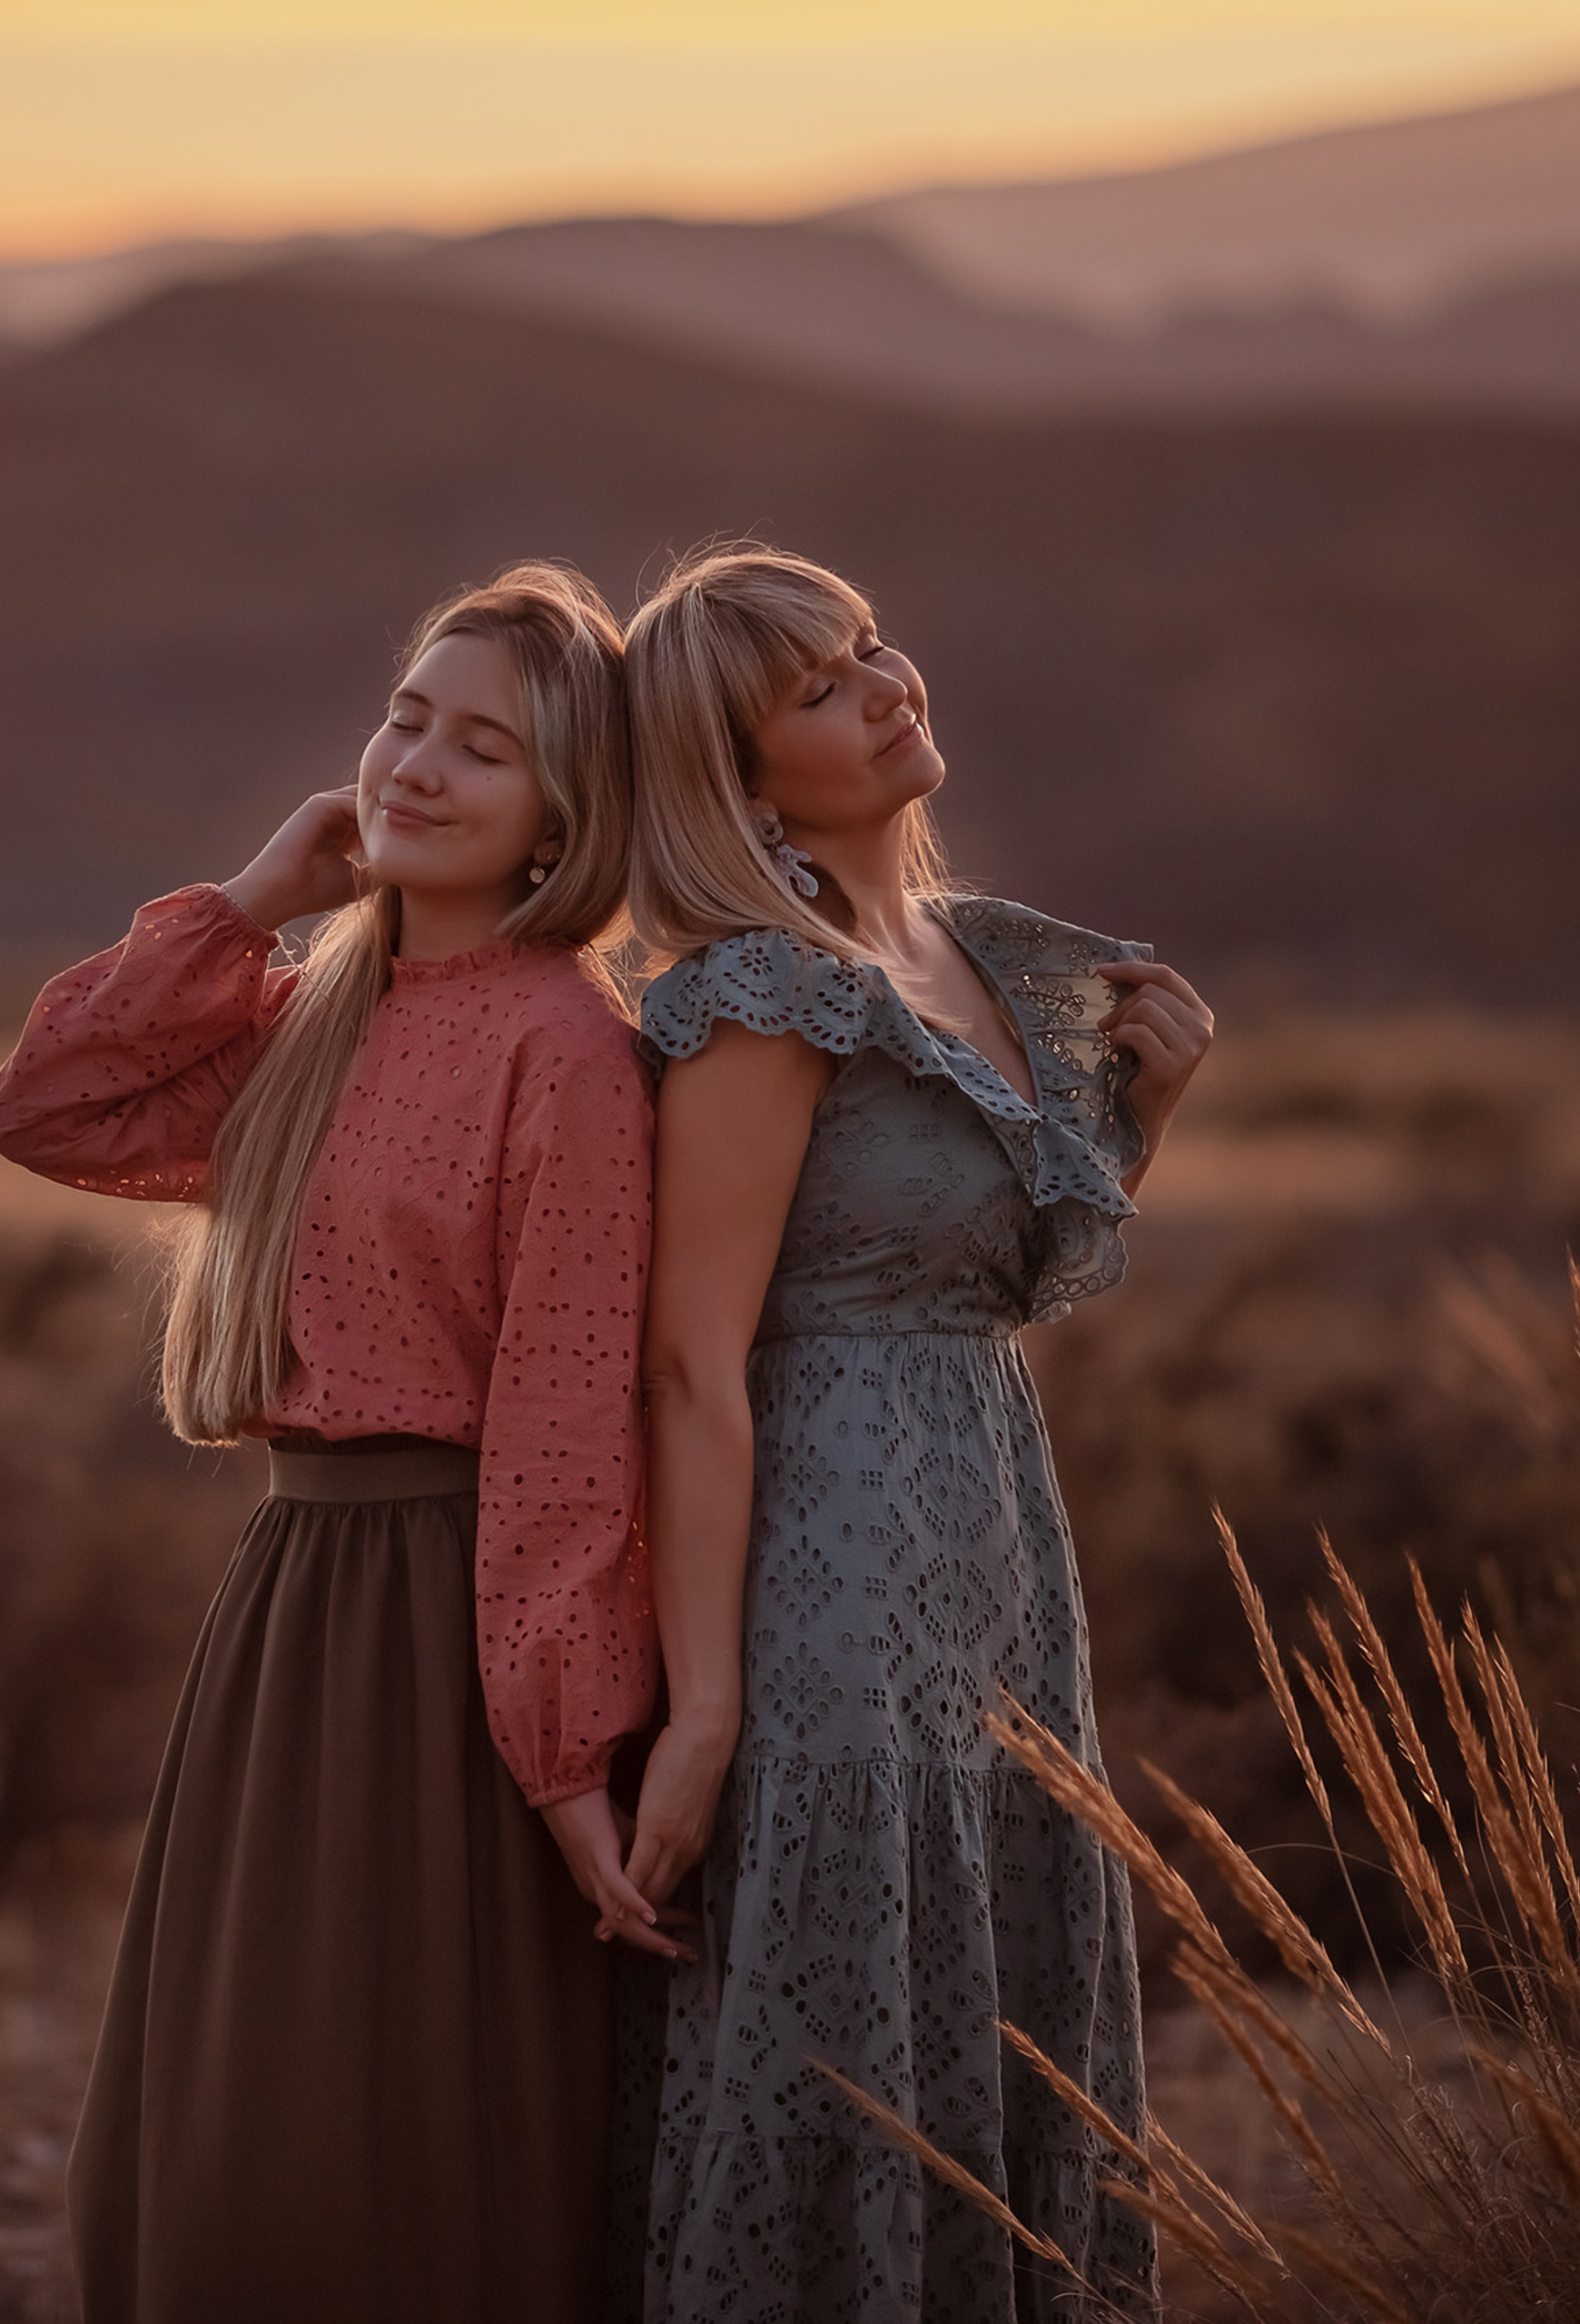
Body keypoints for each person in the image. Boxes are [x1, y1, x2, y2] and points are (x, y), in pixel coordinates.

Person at [0, 565, 676, 2324]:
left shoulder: (567, 1050)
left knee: (377, 2131)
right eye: (405, 718)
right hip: (287, 1594)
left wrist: (562, 1751)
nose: (416, 767)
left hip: (451, 1631)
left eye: (484, 750)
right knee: (231, 2107)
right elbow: (45, 1103)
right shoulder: (303, 1012)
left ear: (562, 815)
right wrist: (246, 904)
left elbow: (564, 1426)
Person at [610, 545, 1212, 2321]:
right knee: (844, 1961)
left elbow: (1000, 1277)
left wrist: (1139, 1115)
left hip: (995, 1535)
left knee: (998, 1939)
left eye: (868, 645)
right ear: (734, 775)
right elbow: (687, 1361)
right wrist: (705, 1703)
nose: (884, 684)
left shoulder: (963, 955)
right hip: (829, 1549)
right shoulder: (759, 990)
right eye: (818, 685)